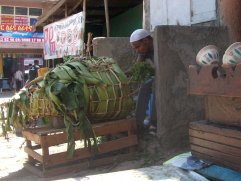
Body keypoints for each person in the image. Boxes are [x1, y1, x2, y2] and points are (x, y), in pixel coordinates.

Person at [130, 29, 157, 135]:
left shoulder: (159, 45)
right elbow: (136, 68)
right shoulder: (144, 51)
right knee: (144, 85)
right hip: (155, 76)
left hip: (166, 78)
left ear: (145, 41)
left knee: (155, 87)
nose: (137, 50)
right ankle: (139, 123)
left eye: (137, 47)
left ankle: (153, 122)